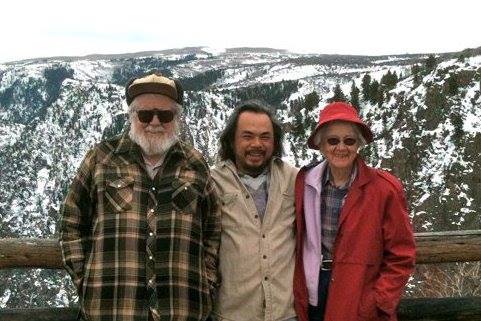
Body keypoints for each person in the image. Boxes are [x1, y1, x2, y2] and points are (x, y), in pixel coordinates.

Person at [59, 72, 220, 321]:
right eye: (145, 114)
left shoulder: (194, 163)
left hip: (182, 310)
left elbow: (212, 229)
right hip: (110, 309)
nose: (154, 122)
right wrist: (86, 280)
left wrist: (205, 283)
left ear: (176, 118)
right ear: (131, 116)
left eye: (165, 115)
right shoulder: (101, 158)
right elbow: (71, 222)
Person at [293, 102, 416, 321]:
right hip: (313, 291)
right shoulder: (304, 183)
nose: (341, 147)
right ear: (321, 145)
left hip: (358, 291)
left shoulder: (384, 189)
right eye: (333, 140)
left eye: (349, 140)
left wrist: (378, 300)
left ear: (358, 145)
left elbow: (401, 253)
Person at [211, 100, 298, 321]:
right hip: (234, 313)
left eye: (265, 137)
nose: (257, 144)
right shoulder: (212, 182)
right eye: (247, 136)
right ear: (231, 141)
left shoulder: (294, 180)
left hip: (285, 313)